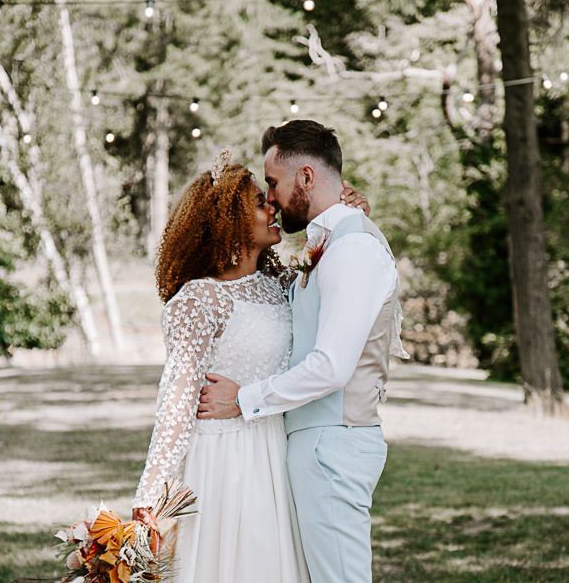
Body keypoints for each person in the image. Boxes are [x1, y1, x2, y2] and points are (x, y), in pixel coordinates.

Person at [131, 152, 369, 583]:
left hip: (277, 455)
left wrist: (345, 211)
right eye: (261, 202)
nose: (273, 206)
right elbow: (176, 404)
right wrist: (151, 496)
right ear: (229, 221)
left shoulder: (283, 286)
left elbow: (336, 272)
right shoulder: (198, 301)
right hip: (221, 464)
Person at [199, 120, 408, 583]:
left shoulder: (352, 248)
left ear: (307, 178)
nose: (269, 197)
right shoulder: (331, 242)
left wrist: (243, 398)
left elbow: (332, 367)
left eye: (273, 183)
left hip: (332, 443)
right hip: (315, 443)